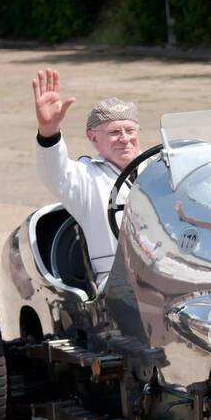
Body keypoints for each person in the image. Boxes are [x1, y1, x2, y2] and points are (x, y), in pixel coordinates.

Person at [32, 68, 140, 286]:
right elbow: (54, 171)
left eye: (130, 130)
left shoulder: (159, 165)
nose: (125, 139)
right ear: (93, 138)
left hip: (171, 274)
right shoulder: (86, 176)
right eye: (114, 132)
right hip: (116, 282)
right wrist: (48, 130)